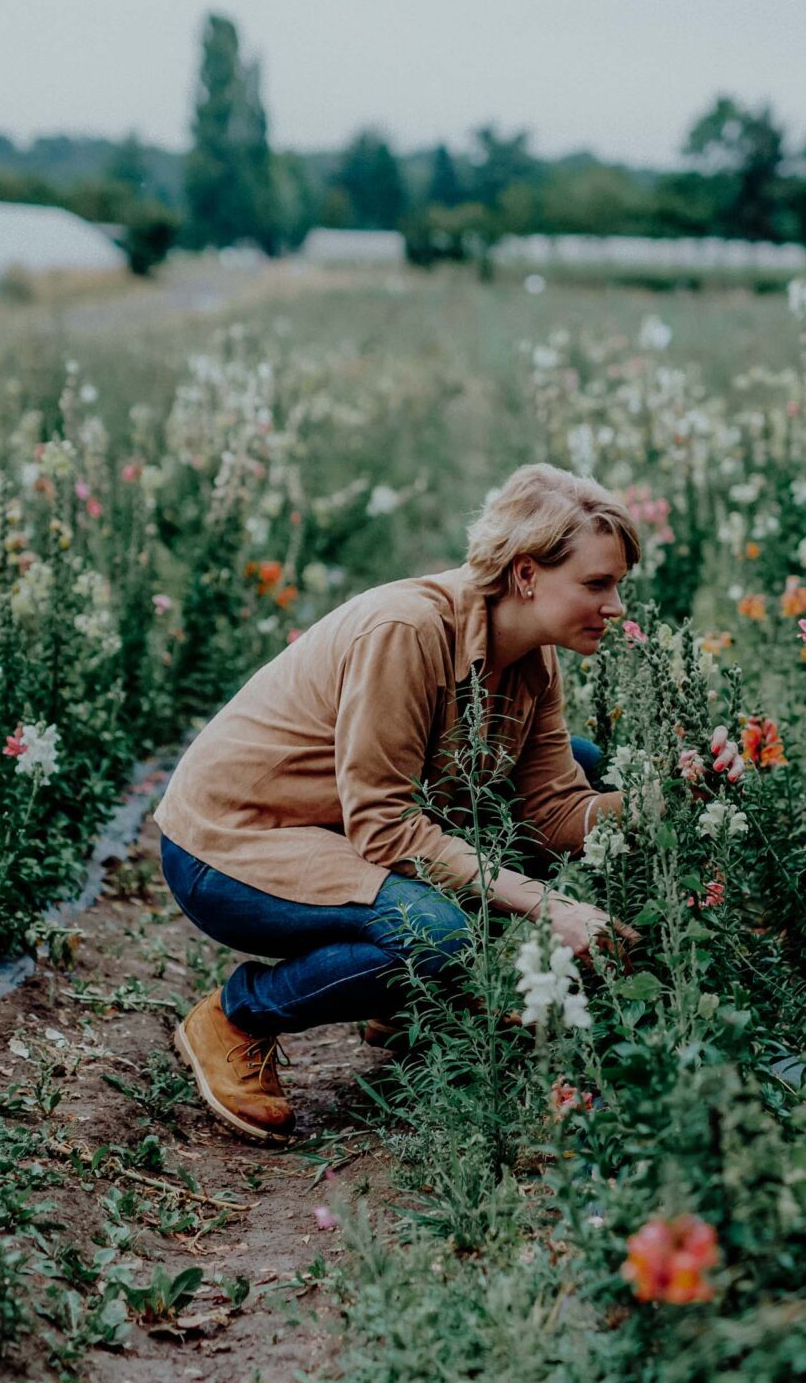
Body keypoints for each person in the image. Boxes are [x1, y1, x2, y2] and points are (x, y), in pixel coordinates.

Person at [155, 463, 637, 1140]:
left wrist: (664, 798)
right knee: (436, 934)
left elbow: (555, 810)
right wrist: (547, 903)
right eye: (597, 584)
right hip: (231, 847)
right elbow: (386, 830)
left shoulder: (534, 659)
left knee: (582, 763)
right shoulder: (407, 632)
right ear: (526, 574)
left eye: (616, 584)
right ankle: (237, 1016)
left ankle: (413, 998)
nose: (616, 606)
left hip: (340, 831)